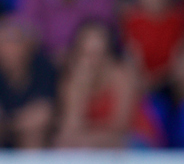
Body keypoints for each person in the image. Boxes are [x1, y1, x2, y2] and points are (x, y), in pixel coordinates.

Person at [54, 20, 152, 148]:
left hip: (132, 138)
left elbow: (121, 125)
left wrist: (86, 139)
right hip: (89, 140)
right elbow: (70, 129)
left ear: (107, 53)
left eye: (97, 55)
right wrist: (80, 89)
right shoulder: (72, 80)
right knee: (62, 145)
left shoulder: (121, 75)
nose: (92, 62)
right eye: (86, 55)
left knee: (84, 148)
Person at [0, 16, 57, 149]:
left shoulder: (43, 67)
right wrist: (5, 125)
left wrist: (8, 124)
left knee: (34, 137)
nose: (9, 50)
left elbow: (43, 114)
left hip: (29, 134)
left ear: (28, 46)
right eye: (3, 44)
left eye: (15, 42)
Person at [122, 0, 184, 92]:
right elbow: (132, 52)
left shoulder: (177, 20)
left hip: (169, 74)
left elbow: (178, 51)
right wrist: (142, 75)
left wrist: (161, 77)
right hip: (141, 74)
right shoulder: (132, 20)